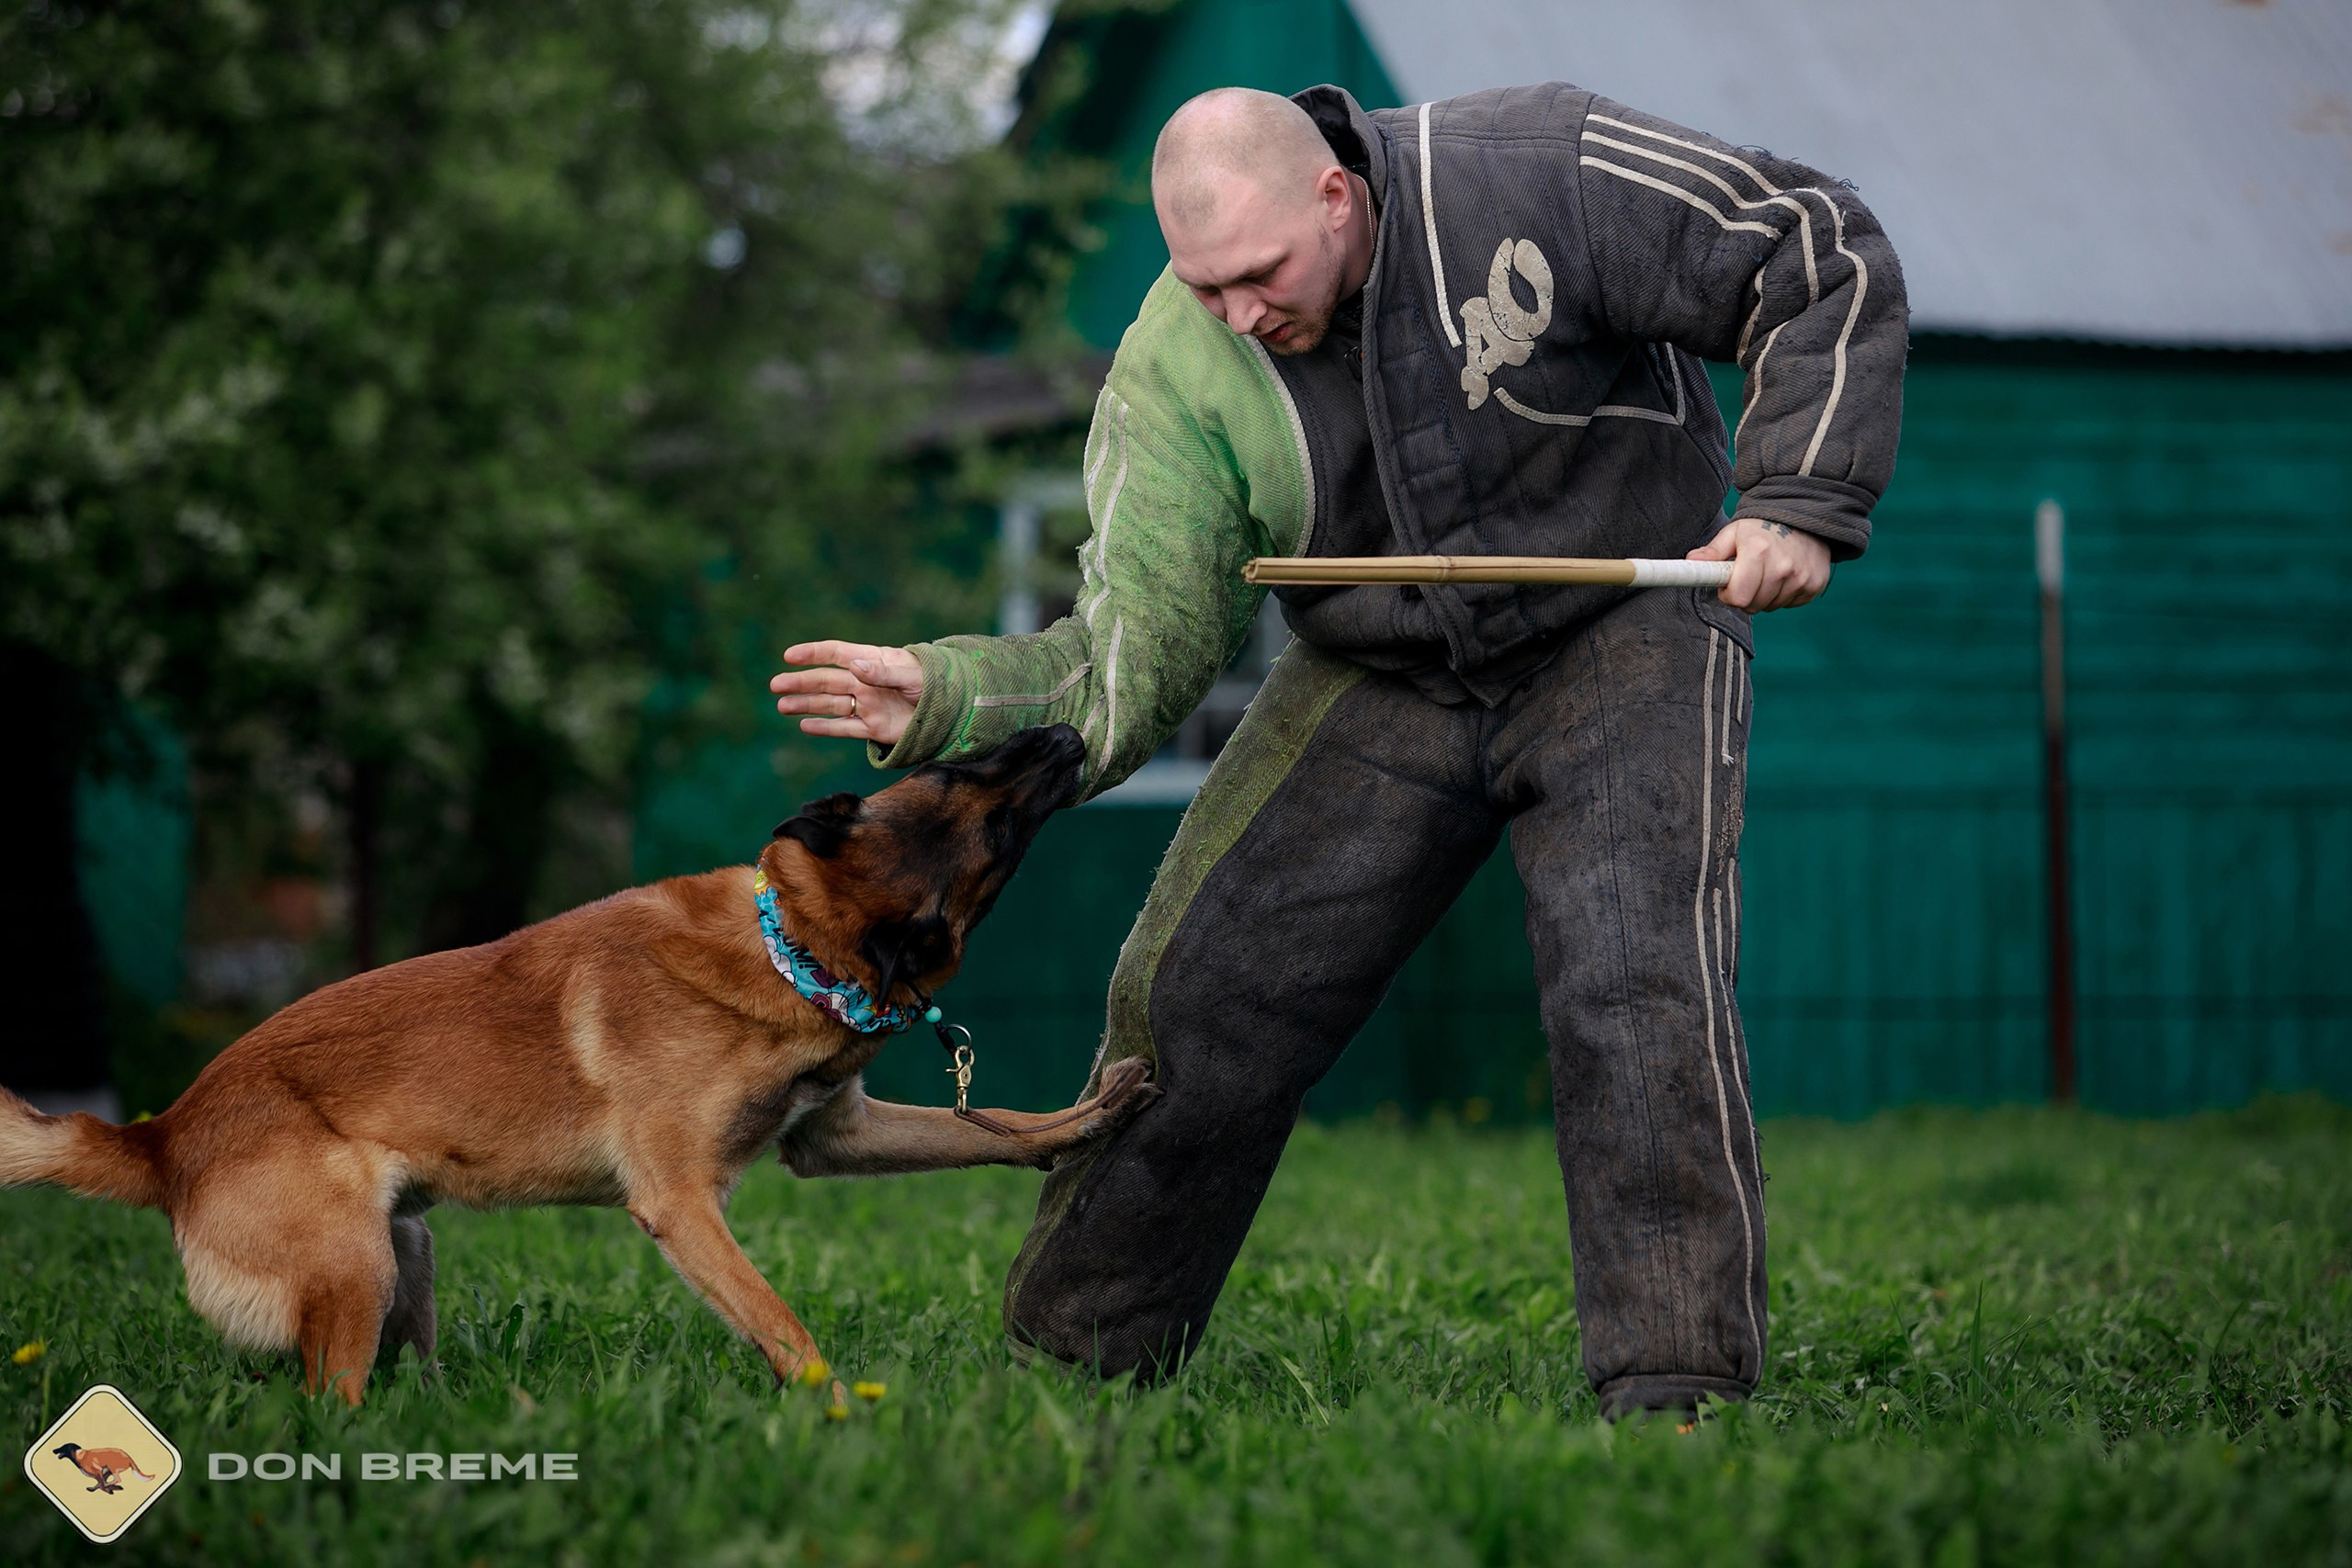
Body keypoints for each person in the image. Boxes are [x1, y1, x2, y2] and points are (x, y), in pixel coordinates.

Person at [772, 84, 1905, 1420]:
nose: (1239, 313)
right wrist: (949, 694)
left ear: (1334, 194)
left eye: (1260, 274)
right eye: (1205, 286)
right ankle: (1072, 1369)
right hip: (1383, 665)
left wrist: (1797, 498)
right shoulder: (1176, 371)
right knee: (1197, 989)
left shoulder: (1532, 170)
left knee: (1631, 984)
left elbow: (1810, 239)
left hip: (1630, 627)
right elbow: (1128, 654)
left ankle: (1676, 1397)